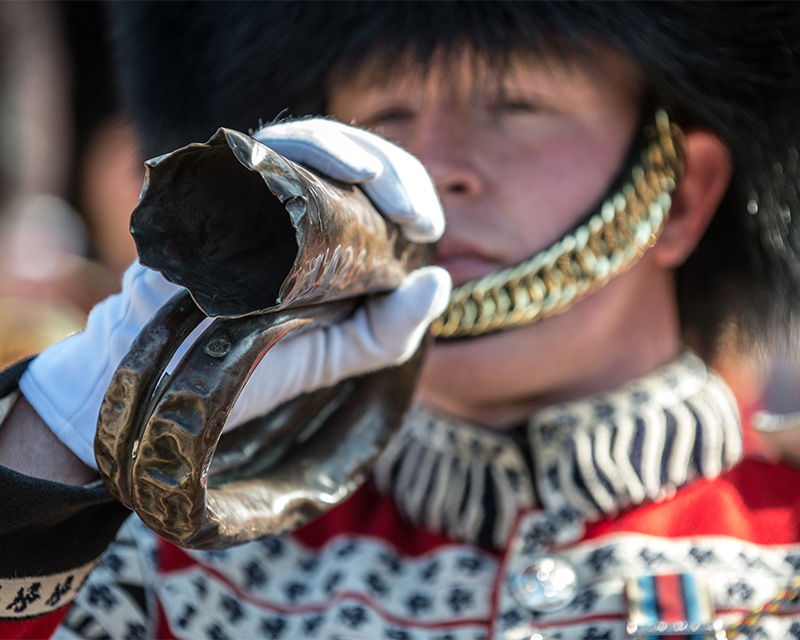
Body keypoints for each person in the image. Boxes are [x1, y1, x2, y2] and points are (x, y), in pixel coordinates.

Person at [2, 2, 800, 638]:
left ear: (684, 194)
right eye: (389, 110)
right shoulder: (170, 566)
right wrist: (66, 430)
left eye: (517, 104)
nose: (439, 164)